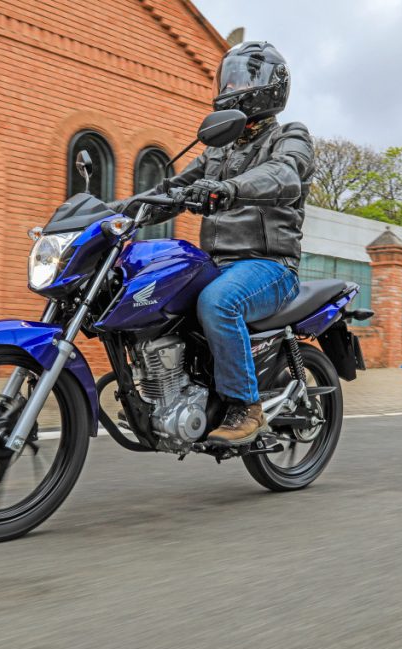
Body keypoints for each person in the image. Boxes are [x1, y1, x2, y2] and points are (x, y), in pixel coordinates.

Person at [112, 41, 314, 446]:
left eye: (241, 80)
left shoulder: (290, 137)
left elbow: (285, 174)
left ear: (269, 86)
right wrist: (113, 212)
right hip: (217, 265)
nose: (231, 87)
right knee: (149, 292)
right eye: (229, 79)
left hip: (269, 265)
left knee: (218, 302)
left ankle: (246, 407)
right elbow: (170, 191)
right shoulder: (218, 150)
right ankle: (166, 393)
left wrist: (228, 189)